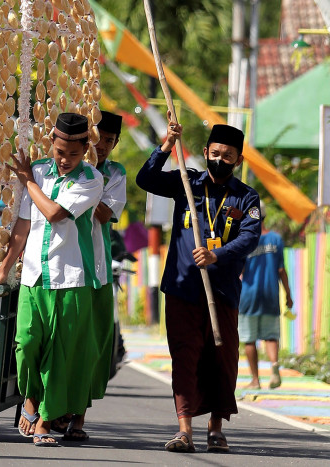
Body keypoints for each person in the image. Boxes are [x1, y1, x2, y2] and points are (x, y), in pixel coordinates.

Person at [136, 120, 261, 453]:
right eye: (215, 153)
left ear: (238, 159)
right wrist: (166, 146)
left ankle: (216, 429)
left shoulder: (247, 197)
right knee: (185, 357)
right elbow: (145, 179)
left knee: (222, 360)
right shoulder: (187, 183)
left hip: (222, 293)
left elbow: (250, 238)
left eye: (228, 155)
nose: (220, 159)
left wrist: (216, 255)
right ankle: (184, 429)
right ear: (206, 152)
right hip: (183, 289)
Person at [0, 113, 104, 447]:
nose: (65, 159)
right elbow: (24, 225)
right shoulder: (38, 169)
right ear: (51, 144)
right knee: (26, 343)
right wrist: (5, 267)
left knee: (59, 353)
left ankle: (42, 419)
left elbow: (54, 214)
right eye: (59, 152)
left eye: (73, 153)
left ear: (85, 149)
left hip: (70, 278)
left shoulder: (91, 180)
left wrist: (28, 181)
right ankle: (29, 398)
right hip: (33, 277)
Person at [52, 111, 127, 441]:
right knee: (58, 342)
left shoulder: (113, 173)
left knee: (90, 348)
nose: (104, 146)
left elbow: (104, 212)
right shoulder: (65, 165)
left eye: (110, 141)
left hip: (95, 269)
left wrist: (90, 180)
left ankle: (77, 415)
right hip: (58, 267)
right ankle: (51, 409)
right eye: (99, 139)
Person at [239, 203, 293, 389]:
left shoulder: (245, 240)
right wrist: (288, 295)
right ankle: (274, 368)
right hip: (271, 293)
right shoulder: (276, 239)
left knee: (249, 339)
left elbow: (240, 271)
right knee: (271, 336)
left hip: (248, 296)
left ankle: (255, 380)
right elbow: (281, 270)